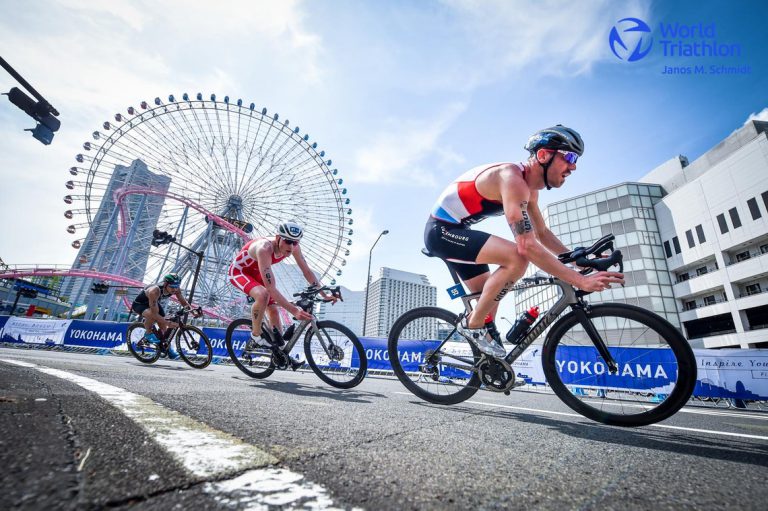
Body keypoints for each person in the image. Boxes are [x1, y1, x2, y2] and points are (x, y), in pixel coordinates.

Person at [424, 125, 624, 358]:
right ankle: (472, 325)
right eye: (568, 157)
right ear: (543, 155)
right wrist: (579, 280)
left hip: (458, 230)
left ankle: (488, 361)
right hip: (441, 231)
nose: (574, 166)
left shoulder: (530, 190)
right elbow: (527, 244)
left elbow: (541, 233)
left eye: (576, 159)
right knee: (517, 258)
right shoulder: (512, 179)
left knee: (488, 300)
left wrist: (576, 261)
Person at [228, 221, 338, 353]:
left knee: (274, 310)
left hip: (259, 273)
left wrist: (324, 295)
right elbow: (270, 288)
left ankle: (279, 350)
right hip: (240, 272)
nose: (291, 246)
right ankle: (255, 336)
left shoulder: (294, 248)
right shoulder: (264, 248)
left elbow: (307, 272)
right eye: (287, 241)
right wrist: (294, 311)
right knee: (263, 295)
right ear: (278, 238)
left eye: (295, 242)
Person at [130, 273, 199, 345]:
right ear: (165, 284)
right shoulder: (155, 291)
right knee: (152, 316)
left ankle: (166, 347)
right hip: (140, 304)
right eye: (172, 287)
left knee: (164, 331)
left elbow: (183, 302)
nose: (175, 289)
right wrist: (169, 323)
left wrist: (193, 311)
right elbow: (154, 314)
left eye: (176, 286)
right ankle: (148, 333)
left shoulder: (176, 289)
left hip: (153, 303)